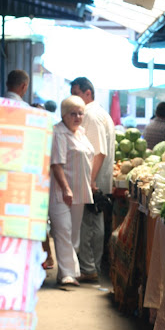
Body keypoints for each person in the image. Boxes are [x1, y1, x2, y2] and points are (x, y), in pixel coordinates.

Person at [70, 77, 115, 283]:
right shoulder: (99, 112)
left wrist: (90, 181)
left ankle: (89, 268)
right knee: (93, 221)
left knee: (88, 223)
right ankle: (91, 266)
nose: (74, 98)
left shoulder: (91, 114)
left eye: (76, 93)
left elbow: (99, 152)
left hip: (92, 179)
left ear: (88, 93)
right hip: (97, 179)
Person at [48, 96, 94, 287]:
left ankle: (70, 272)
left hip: (80, 190)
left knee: (74, 233)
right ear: (64, 115)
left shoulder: (81, 133)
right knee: (63, 230)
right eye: (72, 113)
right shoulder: (58, 133)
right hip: (61, 191)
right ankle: (66, 273)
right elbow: (56, 164)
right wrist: (66, 188)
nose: (77, 117)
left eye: (80, 113)